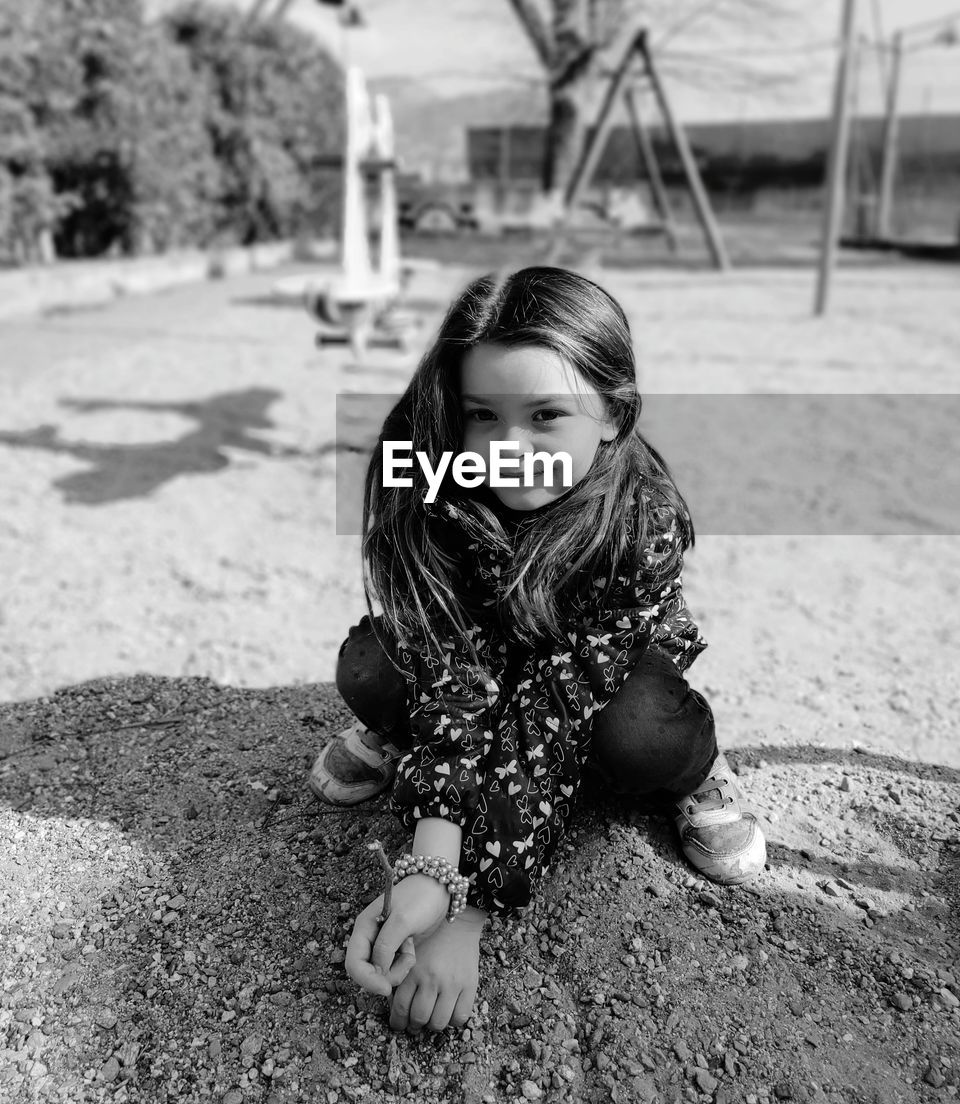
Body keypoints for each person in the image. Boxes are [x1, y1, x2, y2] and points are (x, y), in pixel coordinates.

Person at [309, 266, 767, 1035]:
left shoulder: (639, 519)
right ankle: (404, 740)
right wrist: (431, 864)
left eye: (547, 413)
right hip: (487, 656)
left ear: (614, 415)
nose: (508, 448)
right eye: (481, 413)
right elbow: (454, 667)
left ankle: (699, 769)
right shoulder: (437, 483)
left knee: (638, 734)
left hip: (596, 672)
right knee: (373, 666)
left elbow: (551, 711)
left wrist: (467, 910)